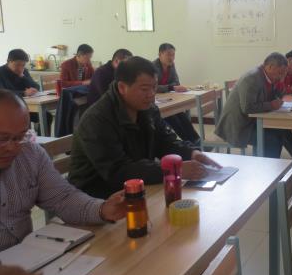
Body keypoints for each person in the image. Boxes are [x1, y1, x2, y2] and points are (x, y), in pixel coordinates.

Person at [0, 89, 126, 275]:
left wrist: (102, 209)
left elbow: (63, 198)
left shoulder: (30, 155)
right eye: (1, 139)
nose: (13, 147)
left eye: (20, 136)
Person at [68, 57, 218, 199]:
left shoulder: (147, 108)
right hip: (96, 198)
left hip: (138, 186)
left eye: (154, 87)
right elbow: (118, 171)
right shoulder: (97, 119)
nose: (151, 95)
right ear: (122, 87)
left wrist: (191, 153)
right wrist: (174, 170)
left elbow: (164, 142)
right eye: (145, 89)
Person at [215, 53, 292, 160]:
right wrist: (271, 105)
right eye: (280, 73)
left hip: (253, 120)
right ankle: (267, 167)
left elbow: (275, 95)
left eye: (283, 74)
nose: (281, 76)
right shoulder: (252, 78)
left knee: (283, 130)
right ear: (270, 67)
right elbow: (247, 108)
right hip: (239, 126)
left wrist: (280, 84)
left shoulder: (269, 76)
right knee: (272, 140)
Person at [152, 43, 200, 145]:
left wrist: (170, 87)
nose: (171, 58)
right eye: (168, 54)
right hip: (157, 103)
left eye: (173, 55)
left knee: (181, 114)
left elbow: (176, 82)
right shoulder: (152, 67)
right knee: (173, 117)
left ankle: (196, 140)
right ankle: (189, 143)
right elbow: (154, 87)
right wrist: (170, 87)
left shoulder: (171, 65)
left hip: (168, 99)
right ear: (160, 54)